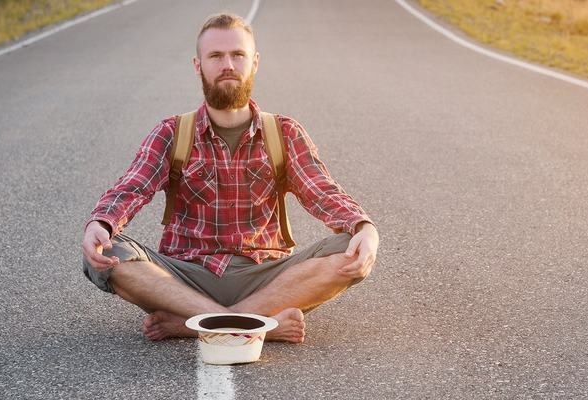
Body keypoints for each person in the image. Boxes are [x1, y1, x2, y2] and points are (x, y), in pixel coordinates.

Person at [81, 13, 378, 343]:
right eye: (215, 56)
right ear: (198, 65)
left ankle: (197, 323)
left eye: (237, 55)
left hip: (265, 277)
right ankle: (256, 324)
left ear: (254, 62)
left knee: (350, 248)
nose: (228, 64)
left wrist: (363, 227)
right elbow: (131, 186)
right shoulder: (171, 132)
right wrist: (102, 224)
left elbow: (322, 192)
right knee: (107, 255)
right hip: (186, 277)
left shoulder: (284, 132)